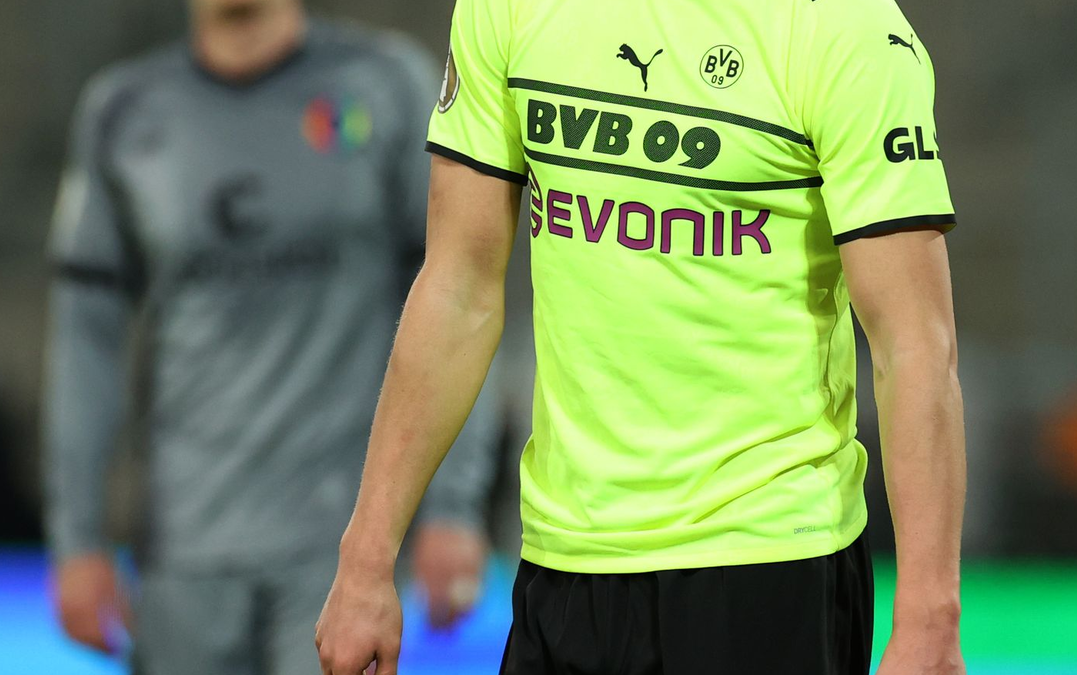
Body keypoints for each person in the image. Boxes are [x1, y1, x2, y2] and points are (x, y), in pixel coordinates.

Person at [317, 0, 968, 673]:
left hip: (767, 555)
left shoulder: (843, 28)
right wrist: (366, 559)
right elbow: (459, 290)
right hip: (564, 558)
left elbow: (915, 345)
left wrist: (929, 619)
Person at [43, 1, 502, 673]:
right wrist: (77, 537)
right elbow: (87, 337)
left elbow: (459, 300)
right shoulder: (124, 111)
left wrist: (453, 506)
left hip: (338, 550)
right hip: (182, 558)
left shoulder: (385, 87)